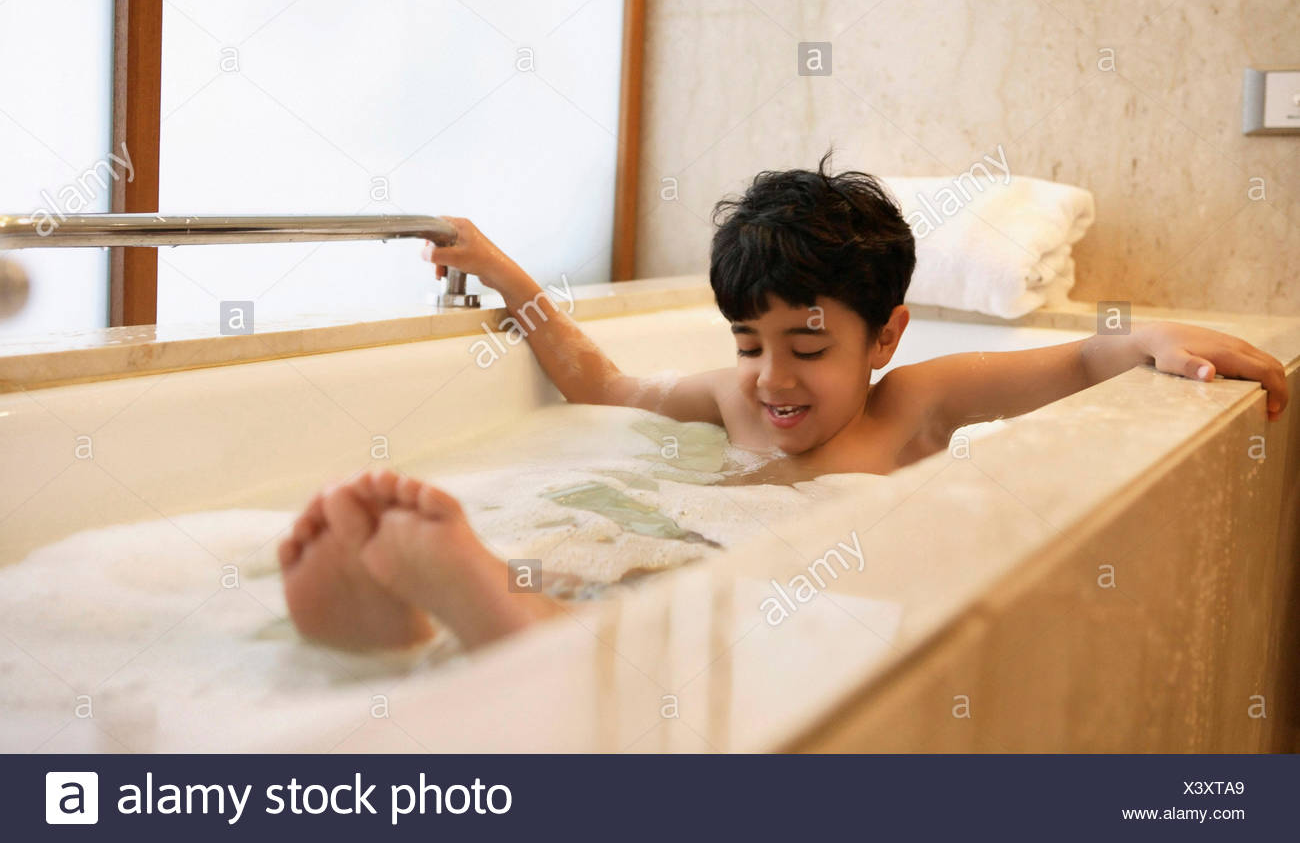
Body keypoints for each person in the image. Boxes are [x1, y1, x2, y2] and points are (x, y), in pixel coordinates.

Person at [279, 156, 1289, 651]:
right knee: (595, 552)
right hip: (678, 537)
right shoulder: (731, 400)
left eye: (807, 346)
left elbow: (1070, 368)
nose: (770, 376)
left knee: (676, 627)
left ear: (884, 335)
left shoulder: (914, 407)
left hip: (792, 595)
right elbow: (597, 380)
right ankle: (428, 615)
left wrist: (1149, 338)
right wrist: (504, 274)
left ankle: (484, 615)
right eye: (747, 342)